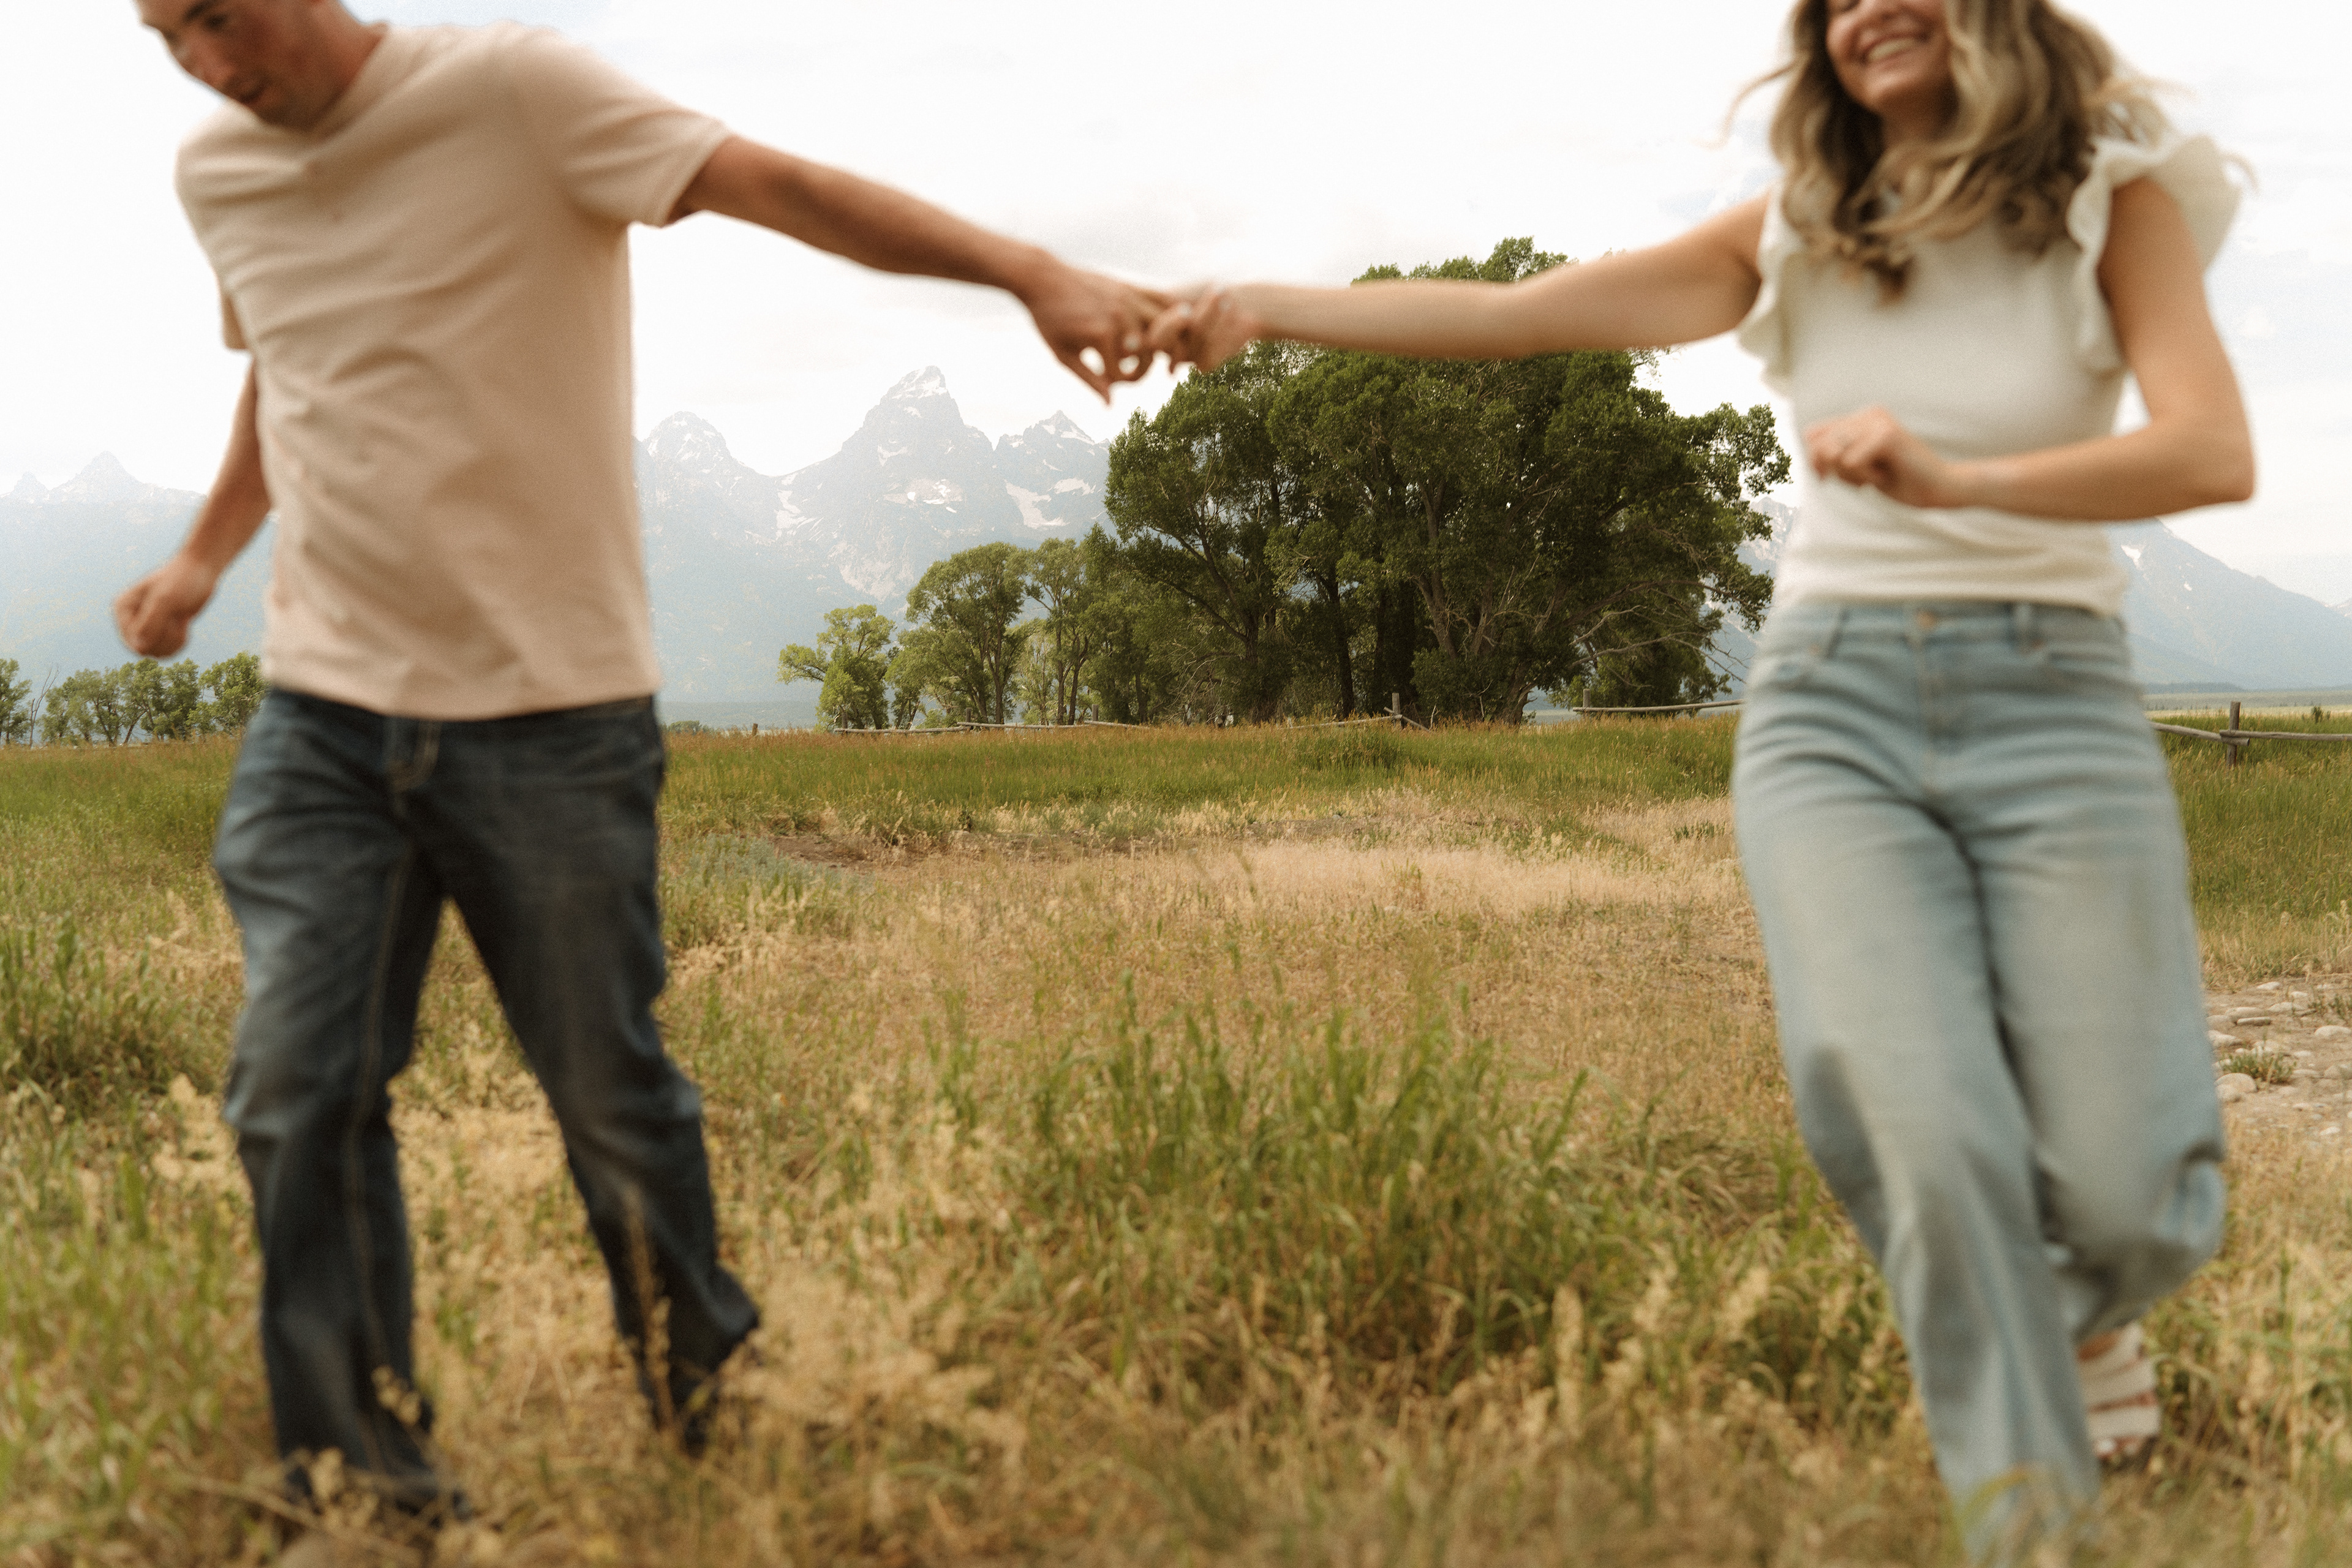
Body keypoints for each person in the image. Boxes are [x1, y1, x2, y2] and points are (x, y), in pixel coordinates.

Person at [1149, 0, 2246, 1555]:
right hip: (1832, 710)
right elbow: (1526, 312)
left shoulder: (2108, 199)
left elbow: (2211, 449)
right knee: (1920, 1126)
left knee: (2131, 1189)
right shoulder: (1801, 227)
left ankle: (2082, 1311)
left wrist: (1960, 481)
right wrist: (1262, 307)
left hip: (2052, 694)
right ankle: (2029, 1517)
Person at [115, 0, 1164, 1552]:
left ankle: (707, 1392)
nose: (201, 63)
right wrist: (205, 555)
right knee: (295, 1090)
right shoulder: (223, 171)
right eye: (159, 35)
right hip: (322, 708)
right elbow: (288, 359)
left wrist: (1032, 271)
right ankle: (359, 1482)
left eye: (210, 13)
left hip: (550, 709)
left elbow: (785, 188)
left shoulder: (518, 89)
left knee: (608, 1090)